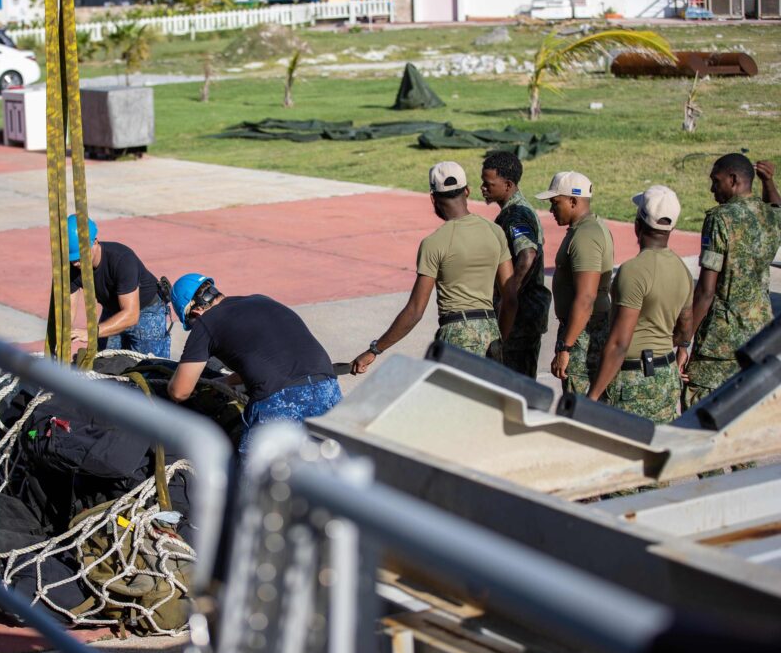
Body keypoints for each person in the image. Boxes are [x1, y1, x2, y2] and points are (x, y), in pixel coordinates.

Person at [351, 161, 517, 374]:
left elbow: (415, 311)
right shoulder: (495, 232)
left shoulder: (434, 243)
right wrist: (498, 337)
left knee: (451, 406)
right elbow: (510, 299)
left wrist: (375, 349)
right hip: (490, 330)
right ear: (467, 191)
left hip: (457, 335)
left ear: (433, 198)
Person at [167, 274, 341, 453]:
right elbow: (269, 358)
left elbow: (180, 392)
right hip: (329, 390)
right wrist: (226, 382)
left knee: (258, 478)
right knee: (325, 471)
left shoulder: (207, 321)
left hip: (281, 401)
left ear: (195, 312)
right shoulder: (261, 300)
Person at [683, 154, 781, 409]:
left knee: (700, 414)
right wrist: (769, 183)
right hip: (759, 336)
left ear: (734, 180)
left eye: (716, 181)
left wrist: (684, 339)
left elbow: (706, 290)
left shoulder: (720, 219)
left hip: (719, 344)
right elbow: (777, 210)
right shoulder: (768, 216)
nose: (712, 189)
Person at [587, 186, 693, 423]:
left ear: (638, 224)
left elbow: (619, 344)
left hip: (635, 380)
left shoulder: (633, 271)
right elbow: (685, 328)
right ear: (671, 228)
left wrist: (592, 396)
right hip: (665, 375)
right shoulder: (682, 269)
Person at [538, 171, 615, 395]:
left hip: (583, 334)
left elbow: (586, 297)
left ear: (574, 201)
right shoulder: (587, 229)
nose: (551, 210)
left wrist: (566, 347)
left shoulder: (585, 236)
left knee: (579, 406)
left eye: (555, 202)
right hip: (583, 328)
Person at [481, 151, 552, 379]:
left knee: (513, 386)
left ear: (508, 184)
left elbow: (528, 254)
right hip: (522, 316)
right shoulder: (515, 212)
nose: (483, 188)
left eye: (489, 184)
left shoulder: (516, 215)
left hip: (519, 319)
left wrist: (509, 292)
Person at [66, 214, 171, 358]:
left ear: (95, 242)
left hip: (146, 311)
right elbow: (68, 311)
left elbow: (131, 315)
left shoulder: (121, 259)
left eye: (79, 257)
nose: (76, 264)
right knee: (102, 364)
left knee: (149, 370)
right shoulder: (72, 267)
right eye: (72, 259)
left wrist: (91, 332)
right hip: (113, 310)